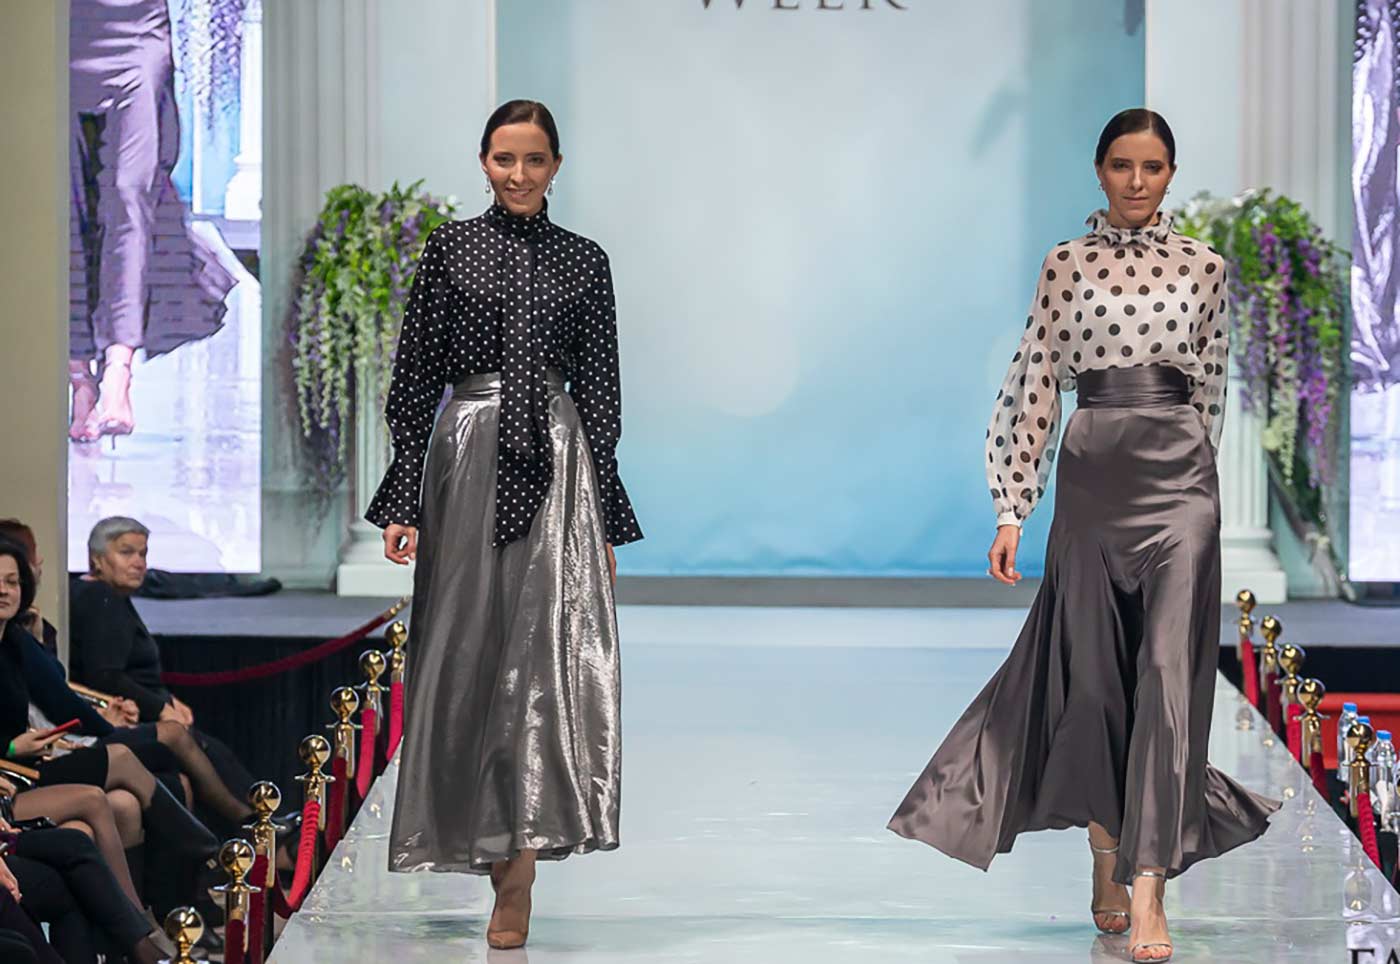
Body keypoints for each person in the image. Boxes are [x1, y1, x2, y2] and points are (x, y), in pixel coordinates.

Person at [886, 109, 1279, 964]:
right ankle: (1107, 855)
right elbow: (1035, 378)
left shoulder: (1206, 267)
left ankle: (1150, 886)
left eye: (1153, 167)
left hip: (1181, 483)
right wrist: (1012, 506)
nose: (1138, 181)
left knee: (1168, 678)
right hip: (1095, 477)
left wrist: (1199, 483)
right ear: (1100, 171)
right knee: (1097, 685)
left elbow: (1211, 384)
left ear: (1171, 173)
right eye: (1122, 166)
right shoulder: (1066, 264)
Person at [367, 99, 643, 950]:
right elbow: (415, 376)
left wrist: (606, 512)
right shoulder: (449, 250)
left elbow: (602, 392)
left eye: (533, 160)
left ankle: (517, 869)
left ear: (556, 165)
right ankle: (487, 845)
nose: (518, 175)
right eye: (503, 159)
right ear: (483, 162)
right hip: (468, 455)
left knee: (543, 660)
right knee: (467, 653)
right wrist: (403, 497)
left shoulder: (585, 261)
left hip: (557, 463)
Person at [67, 0, 234, 446]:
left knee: (130, 194)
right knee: (71, 204)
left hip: (138, 32)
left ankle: (118, 371)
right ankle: (81, 380)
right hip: (65, 30)